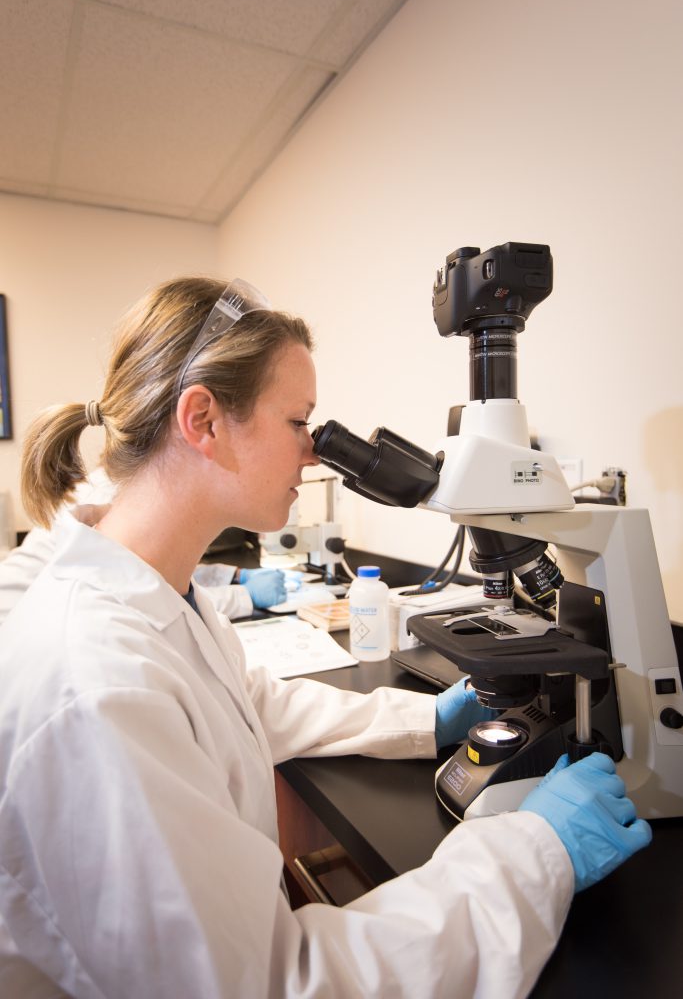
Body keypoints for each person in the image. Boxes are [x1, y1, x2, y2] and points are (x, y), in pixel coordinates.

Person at [0, 275, 651, 998]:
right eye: (297, 420)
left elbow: (252, 706)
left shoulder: (153, 596)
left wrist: (423, 719)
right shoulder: (98, 685)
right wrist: (537, 851)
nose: (314, 452)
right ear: (204, 422)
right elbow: (270, 985)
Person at [0, 468, 287, 626]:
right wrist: (244, 596)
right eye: (296, 422)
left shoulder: (127, 485)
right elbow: (151, 599)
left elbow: (155, 572)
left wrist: (232, 576)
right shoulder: (123, 497)